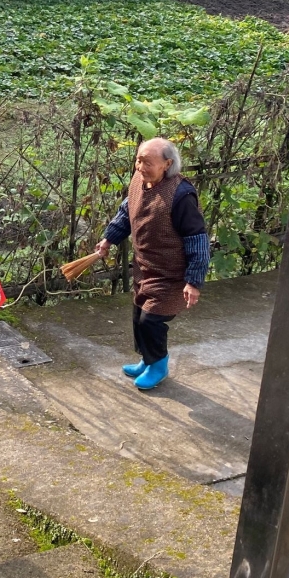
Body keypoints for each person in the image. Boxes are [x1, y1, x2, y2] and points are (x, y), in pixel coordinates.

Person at [93, 136, 210, 392]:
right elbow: (127, 212)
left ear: (167, 164)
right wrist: (108, 240)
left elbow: (197, 241)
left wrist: (193, 281)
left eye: (147, 162)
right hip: (145, 267)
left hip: (171, 275)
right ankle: (147, 359)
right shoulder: (139, 181)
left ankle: (158, 364)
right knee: (138, 314)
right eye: (138, 160)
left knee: (151, 321)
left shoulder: (181, 196)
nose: (139, 166)